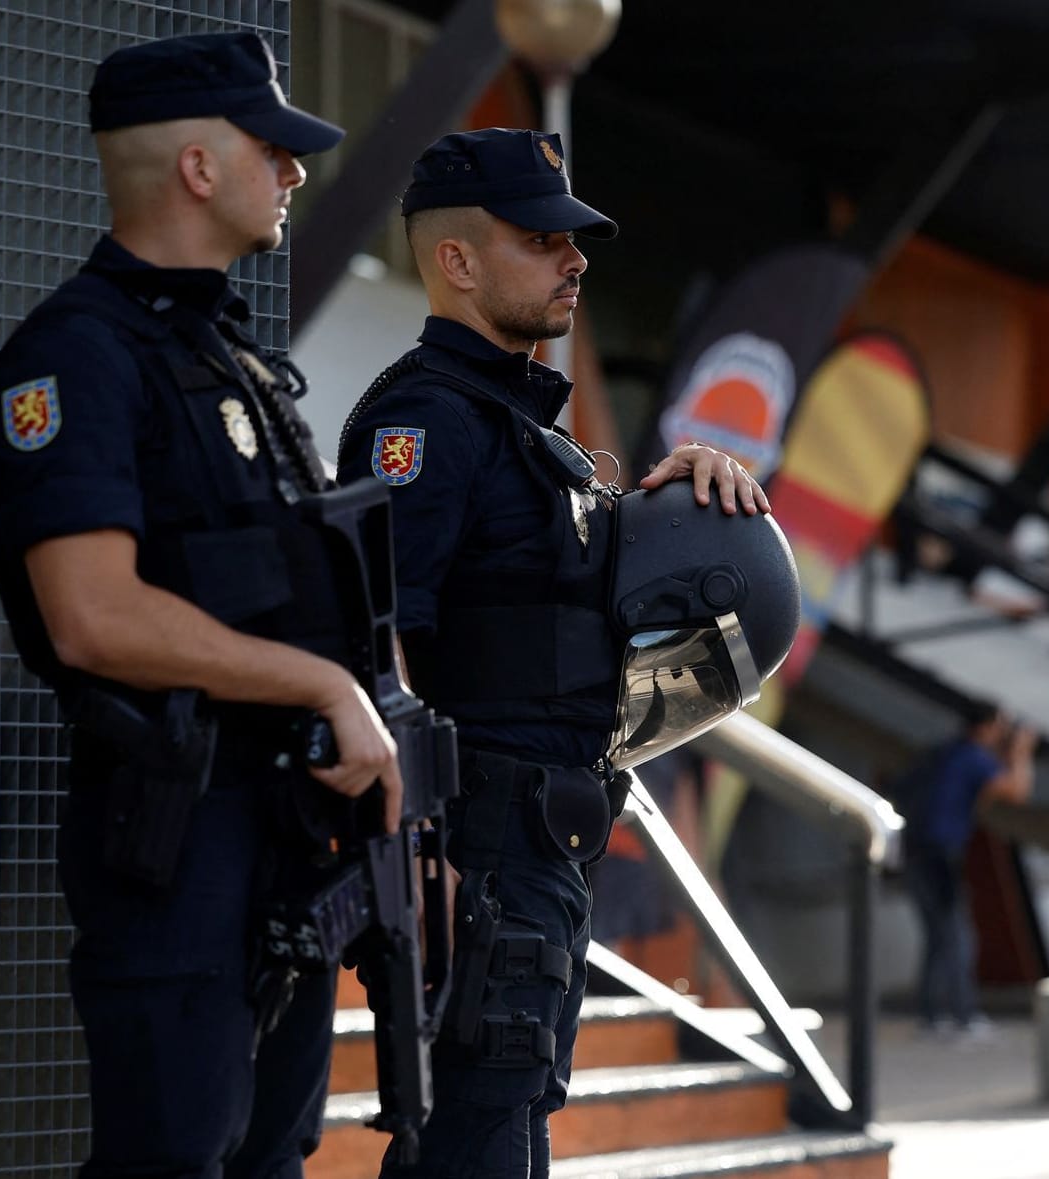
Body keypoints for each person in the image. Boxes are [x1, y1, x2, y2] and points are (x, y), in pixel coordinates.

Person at [0, 33, 404, 1178]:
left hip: (286, 845)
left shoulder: (234, 363)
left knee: (270, 1161)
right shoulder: (73, 361)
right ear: (199, 169)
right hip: (178, 844)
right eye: (274, 149)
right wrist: (321, 686)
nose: (295, 173)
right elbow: (92, 617)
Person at [336, 128, 769, 1179]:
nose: (574, 259)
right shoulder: (424, 425)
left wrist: (671, 509)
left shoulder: (533, 441)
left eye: (573, 240)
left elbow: (562, 621)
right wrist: (415, 856)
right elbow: (372, 646)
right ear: (457, 261)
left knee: (506, 1130)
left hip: (538, 856)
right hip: (473, 856)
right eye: (541, 239)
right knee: (475, 1143)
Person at [896, 705, 1035, 1042]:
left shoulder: (949, 753)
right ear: (986, 727)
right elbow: (1017, 791)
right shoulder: (973, 757)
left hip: (915, 851)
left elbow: (980, 799)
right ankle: (964, 1016)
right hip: (939, 856)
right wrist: (1021, 751)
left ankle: (932, 1017)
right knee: (957, 937)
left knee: (937, 937)